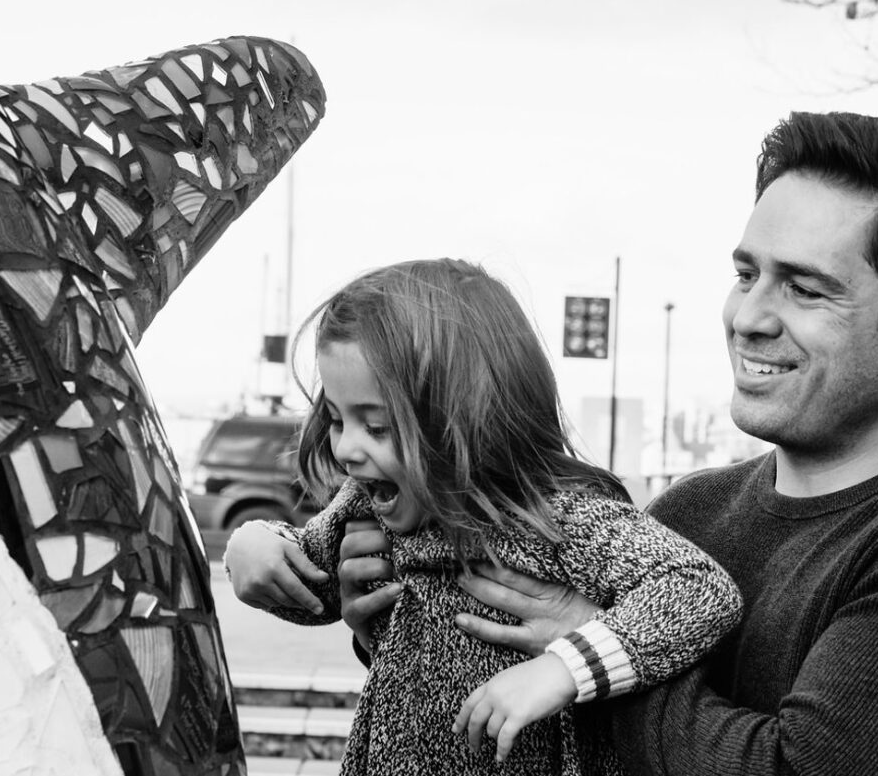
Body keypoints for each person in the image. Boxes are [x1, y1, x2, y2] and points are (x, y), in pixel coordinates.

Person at [265, 110, 878, 775]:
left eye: (803, 288)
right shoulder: (691, 510)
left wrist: (585, 650)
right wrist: (392, 617)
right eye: (747, 275)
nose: (749, 317)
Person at [225, 258, 742, 775]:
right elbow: (315, 590)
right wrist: (257, 547)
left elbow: (698, 589)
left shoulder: (555, 515)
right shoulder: (368, 501)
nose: (347, 450)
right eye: (337, 419)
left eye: (377, 427)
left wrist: (565, 667)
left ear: (467, 421)